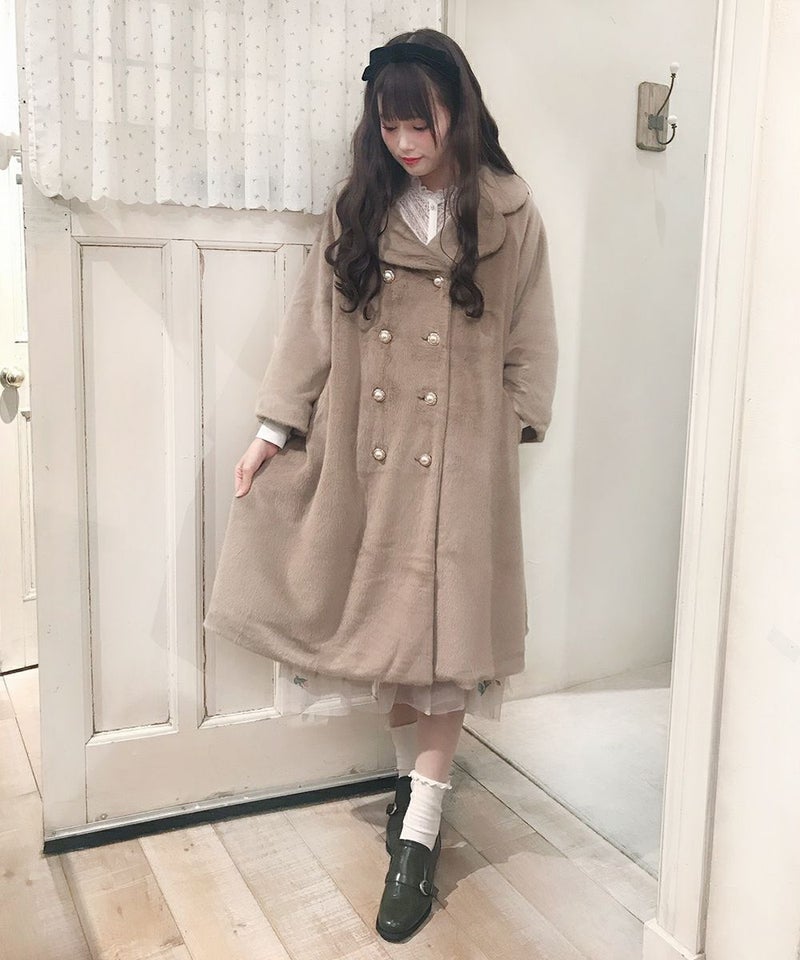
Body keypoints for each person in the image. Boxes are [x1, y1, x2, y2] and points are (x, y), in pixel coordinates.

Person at [203, 27, 557, 943]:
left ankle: (419, 838)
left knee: (447, 654)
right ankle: (415, 791)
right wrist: (272, 433)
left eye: (421, 122)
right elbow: (311, 329)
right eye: (390, 124)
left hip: (462, 465)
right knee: (396, 646)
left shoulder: (510, 212)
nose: (405, 142)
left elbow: (530, 335)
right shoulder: (357, 208)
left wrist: (508, 425)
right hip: (371, 455)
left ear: (458, 112)